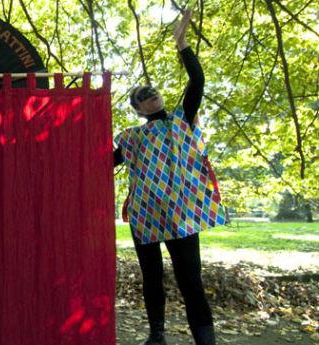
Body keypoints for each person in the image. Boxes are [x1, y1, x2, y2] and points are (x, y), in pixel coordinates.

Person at [113, 10, 224, 345]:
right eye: (142, 95)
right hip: (145, 214)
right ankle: (156, 335)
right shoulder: (131, 137)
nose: (150, 94)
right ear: (138, 108)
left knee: (190, 277)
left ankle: (205, 340)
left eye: (152, 90)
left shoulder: (182, 121)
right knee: (151, 277)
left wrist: (182, 43)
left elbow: (198, 82)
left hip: (181, 211)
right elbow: (102, 163)